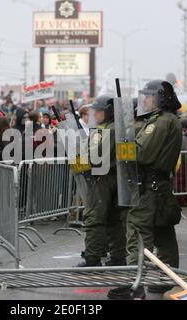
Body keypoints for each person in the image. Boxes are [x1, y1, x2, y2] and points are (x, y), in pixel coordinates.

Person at [108, 80, 183, 300]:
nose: (145, 101)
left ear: (161, 98)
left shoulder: (159, 122)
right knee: (163, 232)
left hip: (149, 188)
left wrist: (123, 139)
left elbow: (141, 154)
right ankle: (167, 278)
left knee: (138, 233)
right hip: (158, 186)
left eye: (149, 96)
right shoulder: (167, 120)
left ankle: (135, 284)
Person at [76, 95, 127, 268]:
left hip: (102, 179)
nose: (95, 114)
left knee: (94, 219)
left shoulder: (107, 130)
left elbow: (93, 157)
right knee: (114, 220)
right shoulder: (113, 128)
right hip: (113, 177)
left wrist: (76, 160)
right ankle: (118, 257)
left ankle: (92, 259)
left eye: (99, 111)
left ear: (108, 112)